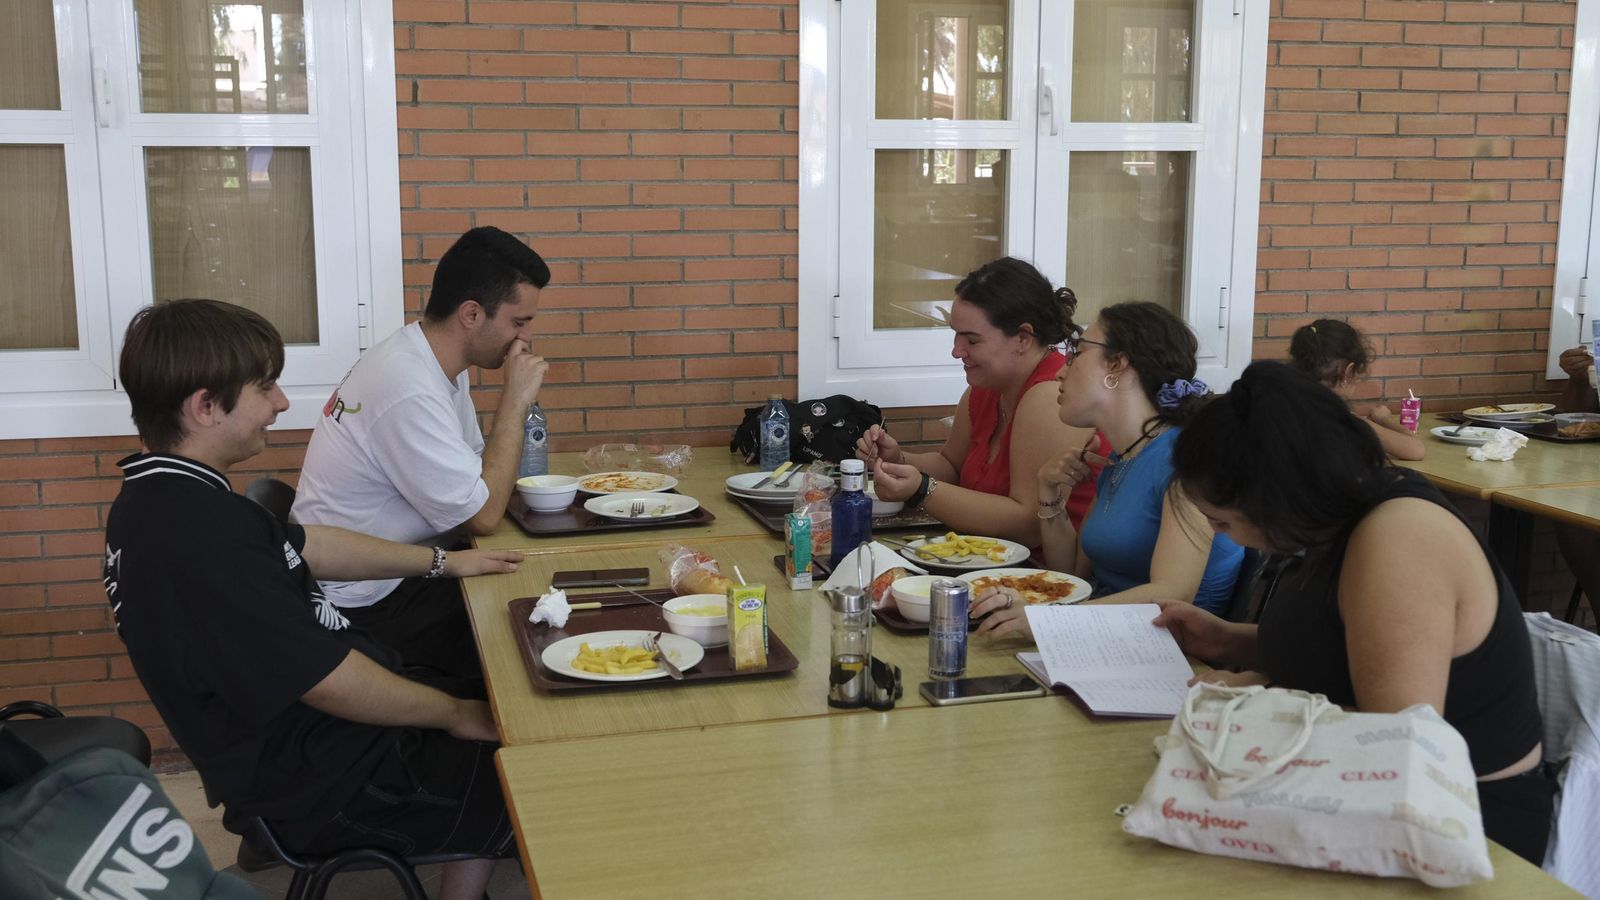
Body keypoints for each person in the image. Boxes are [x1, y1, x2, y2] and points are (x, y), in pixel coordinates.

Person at [105, 299, 528, 900]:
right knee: (526, 761)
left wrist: (445, 562)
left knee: (487, 691)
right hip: (321, 788)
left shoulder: (168, 499)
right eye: (264, 387)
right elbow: (328, 680)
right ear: (204, 406)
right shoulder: (198, 537)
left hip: (323, 748)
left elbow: (312, 545)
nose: (280, 403)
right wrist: (455, 714)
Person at [1153, 361, 1551, 865]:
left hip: (1464, 826)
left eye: (1222, 521)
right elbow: (1341, 646)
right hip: (1367, 796)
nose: (1221, 536)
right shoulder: (1336, 520)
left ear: (1276, 498)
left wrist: (1261, 695)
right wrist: (1229, 640)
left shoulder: (1399, 539)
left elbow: (1394, 738)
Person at [292, 226, 550, 681]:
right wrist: (514, 401)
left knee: (539, 582)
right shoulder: (407, 385)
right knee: (530, 634)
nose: (525, 339)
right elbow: (484, 514)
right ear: (472, 313)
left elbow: (479, 477)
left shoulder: (433, 360)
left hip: (406, 568)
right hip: (367, 599)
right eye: (518, 322)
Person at [971, 302, 1244, 637]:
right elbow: (1073, 576)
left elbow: (1172, 594)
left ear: (1117, 364)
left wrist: (1051, 621)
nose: (1061, 371)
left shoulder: (1186, 459)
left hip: (1177, 659)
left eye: (1077, 354)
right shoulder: (1121, 456)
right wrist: (1050, 494)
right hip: (1109, 639)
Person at [856, 258, 1104, 544]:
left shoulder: (1050, 396)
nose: (956, 351)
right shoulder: (987, 388)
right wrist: (898, 460)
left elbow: (1029, 523)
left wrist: (921, 490)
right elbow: (951, 465)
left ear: (1023, 338)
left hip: (1044, 577)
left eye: (972, 341)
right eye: (955, 335)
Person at [1287, 318, 1424, 461]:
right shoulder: (1339, 418)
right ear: (1348, 371)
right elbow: (1415, 449)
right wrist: (1385, 419)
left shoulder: (1279, 402)